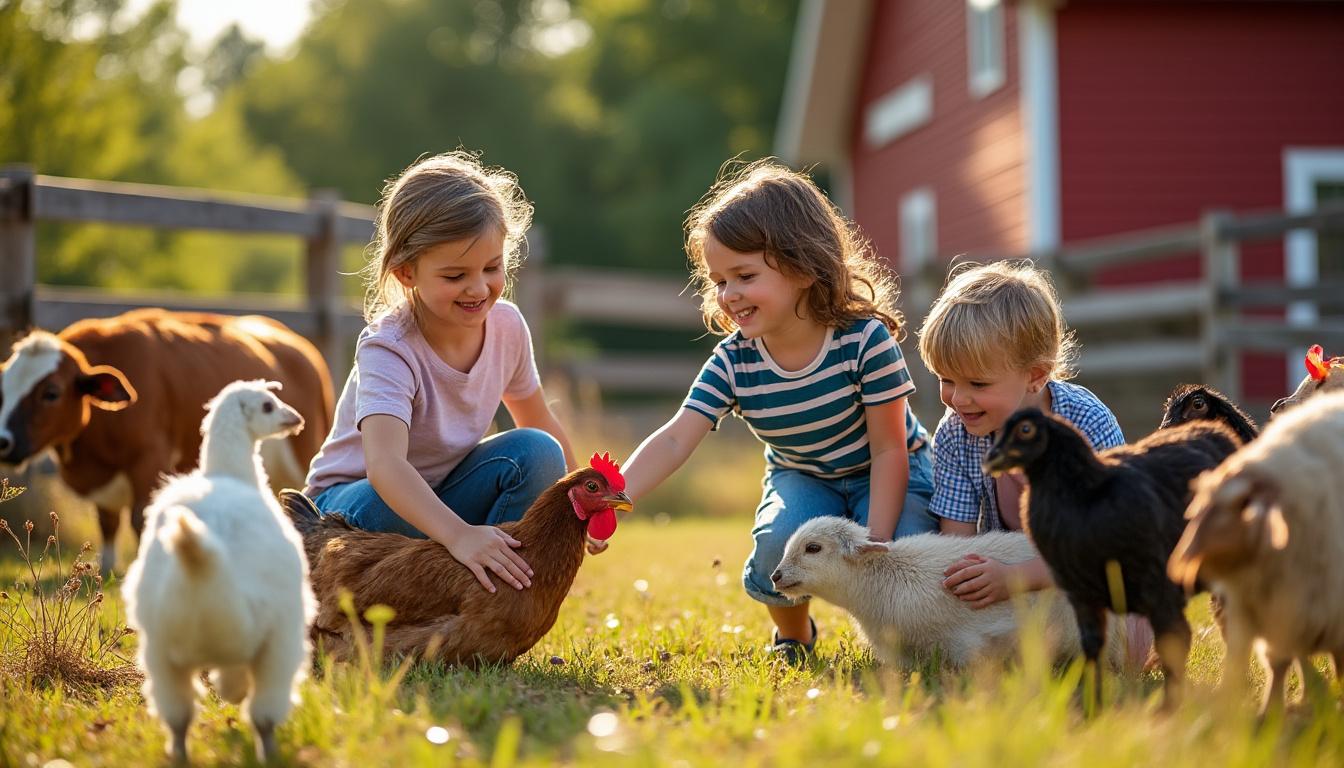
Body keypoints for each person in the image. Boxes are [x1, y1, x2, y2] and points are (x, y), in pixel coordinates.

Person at [615, 159, 937, 663]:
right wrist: (620, 495)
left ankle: (910, 644)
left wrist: (873, 542)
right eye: (719, 280)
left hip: (892, 466)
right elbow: (678, 436)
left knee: (906, 550)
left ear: (804, 268)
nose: (728, 295)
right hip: (802, 474)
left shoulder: (863, 340)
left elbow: (890, 449)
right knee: (775, 546)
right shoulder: (734, 360)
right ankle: (794, 635)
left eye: (744, 275)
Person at [295, 151, 576, 594]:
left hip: (440, 496)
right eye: (454, 275)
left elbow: (536, 416)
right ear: (407, 272)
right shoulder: (389, 347)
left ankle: (490, 599)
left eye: (492, 267)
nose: (478, 287)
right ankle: (437, 574)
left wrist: (579, 501)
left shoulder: (507, 326)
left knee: (539, 453)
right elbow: (385, 467)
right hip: (349, 511)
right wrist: (459, 534)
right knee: (384, 501)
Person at [919, 261, 1152, 666]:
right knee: (974, 641)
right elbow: (953, 544)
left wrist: (1016, 578)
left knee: (1127, 647)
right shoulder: (956, 433)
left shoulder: (1085, 422)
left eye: (977, 384)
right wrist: (973, 580)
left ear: (1035, 376)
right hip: (1012, 577)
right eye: (945, 379)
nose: (957, 399)